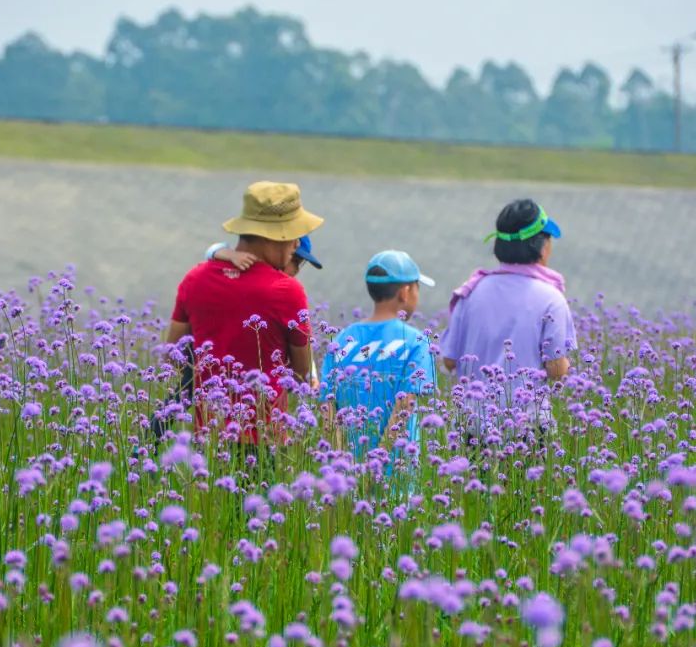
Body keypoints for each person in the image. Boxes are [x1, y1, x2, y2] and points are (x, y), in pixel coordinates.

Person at [165, 181, 323, 443]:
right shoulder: (287, 291)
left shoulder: (194, 279)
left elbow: (173, 354)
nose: (297, 244)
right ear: (276, 236)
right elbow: (301, 373)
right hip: (263, 438)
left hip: (208, 435)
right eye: (293, 235)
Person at [440, 199, 576, 429]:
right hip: (527, 427)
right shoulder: (551, 299)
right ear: (541, 245)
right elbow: (555, 369)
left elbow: (449, 360)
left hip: (472, 424)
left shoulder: (472, 292)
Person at [321, 250, 437, 461]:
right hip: (396, 473)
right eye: (417, 288)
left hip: (346, 474)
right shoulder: (416, 342)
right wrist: (378, 464)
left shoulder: (340, 340)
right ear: (405, 291)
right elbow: (404, 406)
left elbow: (328, 408)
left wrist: (343, 463)